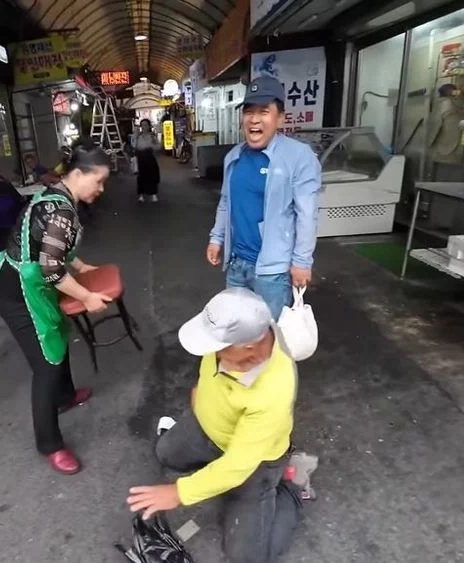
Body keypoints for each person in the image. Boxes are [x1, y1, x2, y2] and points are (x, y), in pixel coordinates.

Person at [126, 288, 305, 563]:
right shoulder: (232, 344)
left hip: (255, 464)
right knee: (165, 453)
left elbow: (238, 465)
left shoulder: (275, 387)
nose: (211, 352)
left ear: (249, 348)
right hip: (205, 428)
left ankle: (289, 490)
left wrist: (179, 493)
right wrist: (200, 395)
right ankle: (216, 477)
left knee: (246, 557)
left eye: (217, 347)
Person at [0, 144, 112, 475]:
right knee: (46, 364)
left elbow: (50, 247)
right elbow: (53, 270)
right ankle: (49, 443)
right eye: (98, 181)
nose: (100, 189)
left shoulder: (56, 195)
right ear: (78, 173)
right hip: (17, 294)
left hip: (32, 286)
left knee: (58, 335)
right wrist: (87, 297)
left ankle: (66, 396)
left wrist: (82, 265)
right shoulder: (62, 210)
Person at [205, 76, 322, 320]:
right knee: (239, 336)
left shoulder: (299, 157)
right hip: (237, 265)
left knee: (272, 341)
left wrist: (302, 262)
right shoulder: (234, 157)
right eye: (249, 111)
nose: (254, 119)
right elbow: (226, 202)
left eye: (264, 111)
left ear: (280, 118)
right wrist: (217, 239)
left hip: (273, 273)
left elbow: (307, 214)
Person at [134, 119, 161, 203]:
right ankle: (141, 195)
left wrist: (152, 144)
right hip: (141, 157)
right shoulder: (138, 136)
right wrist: (135, 135)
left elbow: (158, 147)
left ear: (149, 126)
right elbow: (134, 145)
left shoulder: (152, 136)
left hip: (149, 157)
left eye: (146, 125)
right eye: (142, 125)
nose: (144, 127)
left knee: (152, 175)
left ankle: (153, 194)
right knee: (141, 177)